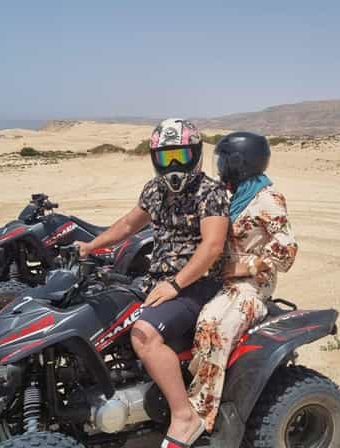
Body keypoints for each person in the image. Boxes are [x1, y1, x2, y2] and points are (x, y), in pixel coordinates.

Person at [76, 118, 229, 447]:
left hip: (197, 284)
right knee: (102, 311)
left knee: (143, 334)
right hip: (157, 280)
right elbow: (129, 223)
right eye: (165, 157)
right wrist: (91, 246)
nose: (173, 165)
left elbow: (212, 247)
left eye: (180, 156)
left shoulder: (210, 192)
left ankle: (184, 415)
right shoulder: (154, 190)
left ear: (196, 155)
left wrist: (175, 285)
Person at [187, 132, 299, 432]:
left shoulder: (267, 199)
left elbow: (287, 249)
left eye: (225, 160)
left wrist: (244, 267)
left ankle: (201, 414)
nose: (220, 165)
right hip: (222, 280)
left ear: (242, 162)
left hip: (250, 286)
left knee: (215, 328)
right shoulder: (232, 194)